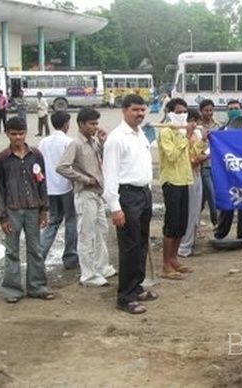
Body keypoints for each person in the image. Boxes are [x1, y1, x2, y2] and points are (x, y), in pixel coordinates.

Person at [103, 94, 157, 314]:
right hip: (127, 196)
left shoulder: (140, 134)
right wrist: (115, 207)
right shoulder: (117, 139)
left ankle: (137, 286)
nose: (140, 114)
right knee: (129, 246)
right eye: (135, 110)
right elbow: (110, 175)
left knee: (141, 243)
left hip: (144, 194)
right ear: (124, 111)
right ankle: (125, 297)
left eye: (142, 110)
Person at [0, 116, 54, 303]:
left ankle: (37, 286)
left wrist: (44, 209)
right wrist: (2, 217)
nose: (18, 138)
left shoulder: (36, 155)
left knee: (35, 249)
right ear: (7, 134)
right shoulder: (2, 159)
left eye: (21, 133)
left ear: (26, 133)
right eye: (14, 134)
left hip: (33, 209)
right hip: (12, 210)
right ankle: (12, 290)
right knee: (12, 251)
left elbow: (42, 183)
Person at [57, 107, 117, 287]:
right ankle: (88, 275)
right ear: (81, 124)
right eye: (91, 123)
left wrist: (103, 142)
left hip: (97, 194)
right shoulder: (76, 144)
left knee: (101, 231)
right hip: (85, 194)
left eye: (96, 123)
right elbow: (62, 167)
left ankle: (102, 266)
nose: (95, 127)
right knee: (86, 235)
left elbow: (102, 161)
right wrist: (85, 179)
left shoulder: (93, 142)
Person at [158, 97, 203, 276]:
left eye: (184, 112)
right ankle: (165, 264)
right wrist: (185, 137)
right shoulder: (166, 132)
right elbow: (172, 156)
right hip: (172, 181)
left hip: (185, 180)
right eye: (178, 112)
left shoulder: (183, 131)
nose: (182, 115)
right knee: (171, 224)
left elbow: (193, 154)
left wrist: (200, 140)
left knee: (181, 224)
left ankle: (174, 260)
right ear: (170, 113)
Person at [38, 111, 79, 270]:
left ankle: (40, 255)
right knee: (71, 220)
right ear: (66, 124)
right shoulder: (69, 142)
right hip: (66, 186)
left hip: (49, 188)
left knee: (53, 221)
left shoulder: (44, 142)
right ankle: (70, 257)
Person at [214, 100, 242, 241]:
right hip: (227, 174)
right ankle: (221, 233)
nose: (233, 111)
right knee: (227, 205)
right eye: (230, 109)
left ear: (241, 110)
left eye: (236, 108)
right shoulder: (221, 131)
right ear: (226, 111)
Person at [177, 108, 207, 258]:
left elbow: (199, 153)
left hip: (197, 174)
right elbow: (189, 158)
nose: (196, 124)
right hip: (187, 176)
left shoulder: (197, 134)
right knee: (188, 211)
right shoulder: (181, 134)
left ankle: (190, 242)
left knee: (195, 210)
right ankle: (183, 246)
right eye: (194, 120)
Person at [199, 99, 220, 227]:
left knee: (203, 198)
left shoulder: (217, 126)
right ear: (201, 111)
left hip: (215, 165)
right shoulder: (197, 126)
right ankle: (215, 222)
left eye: (211, 110)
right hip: (202, 165)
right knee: (211, 195)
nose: (209, 113)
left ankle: (194, 221)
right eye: (206, 110)